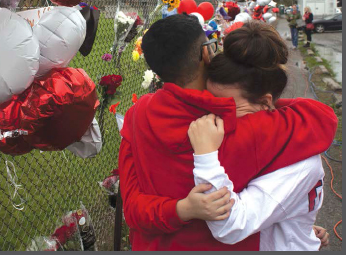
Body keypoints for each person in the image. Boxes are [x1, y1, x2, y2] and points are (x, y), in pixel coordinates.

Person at [118, 14, 337, 250]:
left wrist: (179, 210)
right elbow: (320, 119)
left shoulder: (136, 116)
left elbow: (131, 210)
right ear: (206, 53)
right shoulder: (238, 128)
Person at [187, 22, 333, 250]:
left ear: (265, 102)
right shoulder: (282, 138)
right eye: (212, 104)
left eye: (228, 107)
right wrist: (297, 223)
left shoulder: (298, 163)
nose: (216, 116)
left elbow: (231, 226)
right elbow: (279, 204)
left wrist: (206, 156)